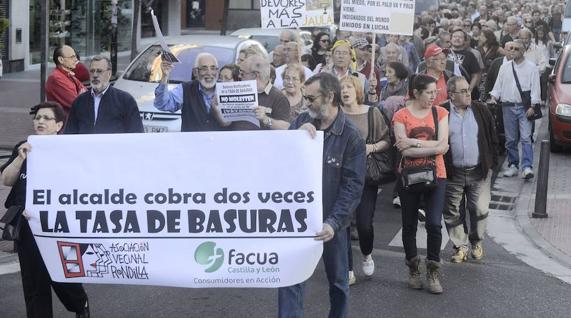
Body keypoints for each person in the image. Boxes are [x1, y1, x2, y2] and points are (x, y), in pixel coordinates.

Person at [278, 72, 365, 318]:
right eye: (305, 98)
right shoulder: (301, 122)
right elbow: (281, 162)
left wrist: (334, 223)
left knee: (338, 283)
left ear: (330, 97)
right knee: (290, 280)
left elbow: (353, 186)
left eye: (311, 98)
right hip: (297, 220)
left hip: (330, 223)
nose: (306, 104)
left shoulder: (351, 137)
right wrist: (296, 138)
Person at [1, 102, 90, 318]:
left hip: (62, 227)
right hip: (29, 226)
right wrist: (20, 159)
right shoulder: (25, 146)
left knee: (64, 275)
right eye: (38, 117)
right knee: (34, 283)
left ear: (59, 125)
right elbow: (7, 179)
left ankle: (80, 304)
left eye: (46, 118)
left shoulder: (69, 152)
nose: (40, 121)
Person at [393, 74, 449, 294]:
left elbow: (444, 146)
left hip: (437, 174)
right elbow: (403, 150)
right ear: (416, 93)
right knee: (409, 225)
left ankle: (433, 269)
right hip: (409, 176)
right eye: (429, 92)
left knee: (435, 224)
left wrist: (414, 142)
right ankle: (413, 268)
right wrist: (432, 146)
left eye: (435, 92)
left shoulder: (440, 112)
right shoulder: (401, 115)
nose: (433, 97)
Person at [442, 76, 498, 263]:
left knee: (479, 209)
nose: (468, 94)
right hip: (453, 172)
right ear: (451, 94)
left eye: (468, 89)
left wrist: (491, 164)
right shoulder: (441, 112)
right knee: (452, 211)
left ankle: (476, 242)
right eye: (463, 91)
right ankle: (460, 246)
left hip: (479, 171)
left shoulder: (481, 109)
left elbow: (492, 136)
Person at [340, 75, 390, 284]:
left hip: (365, 177)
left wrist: (372, 147)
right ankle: (348, 269)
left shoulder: (372, 112)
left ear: (357, 90)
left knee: (364, 225)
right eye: (341, 87)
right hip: (340, 177)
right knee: (342, 224)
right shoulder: (335, 115)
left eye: (349, 86)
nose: (345, 90)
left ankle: (367, 253)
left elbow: (386, 140)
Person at [490, 39, 540, 179]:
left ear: (523, 51)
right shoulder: (504, 67)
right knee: (510, 139)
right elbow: (498, 86)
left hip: (524, 107)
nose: (512, 50)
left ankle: (527, 167)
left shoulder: (531, 67)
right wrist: (494, 97)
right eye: (510, 48)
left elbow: (535, 87)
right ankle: (513, 165)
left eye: (516, 48)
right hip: (507, 106)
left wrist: (533, 106)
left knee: (525, 137)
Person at [65, 56, 143, 134]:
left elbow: (136, 134)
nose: (95, 75)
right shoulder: (80, 101)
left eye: (99, 71)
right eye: (92, 71)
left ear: (109, 74)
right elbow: (70, 133)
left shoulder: (125, 100)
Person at [218, 54, 290, 130]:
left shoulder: (278, 97)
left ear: (255, 75)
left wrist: (265, 119)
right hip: (236, 139)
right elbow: (226, 123)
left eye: (243, 73)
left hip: (261, 141)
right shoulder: (237, 90)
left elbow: (285, 127)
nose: (239, 76)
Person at [154, 52, 222, 132]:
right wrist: (165, 76)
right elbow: (162, 104)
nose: (209, 73)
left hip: (220, 143)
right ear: (195, 72)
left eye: (213, 68)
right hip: (191, 143)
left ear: (217, 72)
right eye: (204, 68)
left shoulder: (226, 90)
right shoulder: (185, 89)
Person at [45, 45, 87, 116]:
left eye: (75, 56)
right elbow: (77, 104)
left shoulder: (68, 74)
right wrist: (81, 95)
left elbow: (84, 90)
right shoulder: (56, 78)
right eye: (72, 57)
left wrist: (80, 95)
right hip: (65, 124)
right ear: (61, 60)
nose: (76, 60)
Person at [448, 28, 482, 100]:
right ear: (450, 39)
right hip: (447, 91)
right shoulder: (443, 53)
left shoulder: (470, 55)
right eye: (454, 36)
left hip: (464, 92)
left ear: (464, 41)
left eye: (460, 37)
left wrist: (469, 90)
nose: (457, 39)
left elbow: (475, 75)